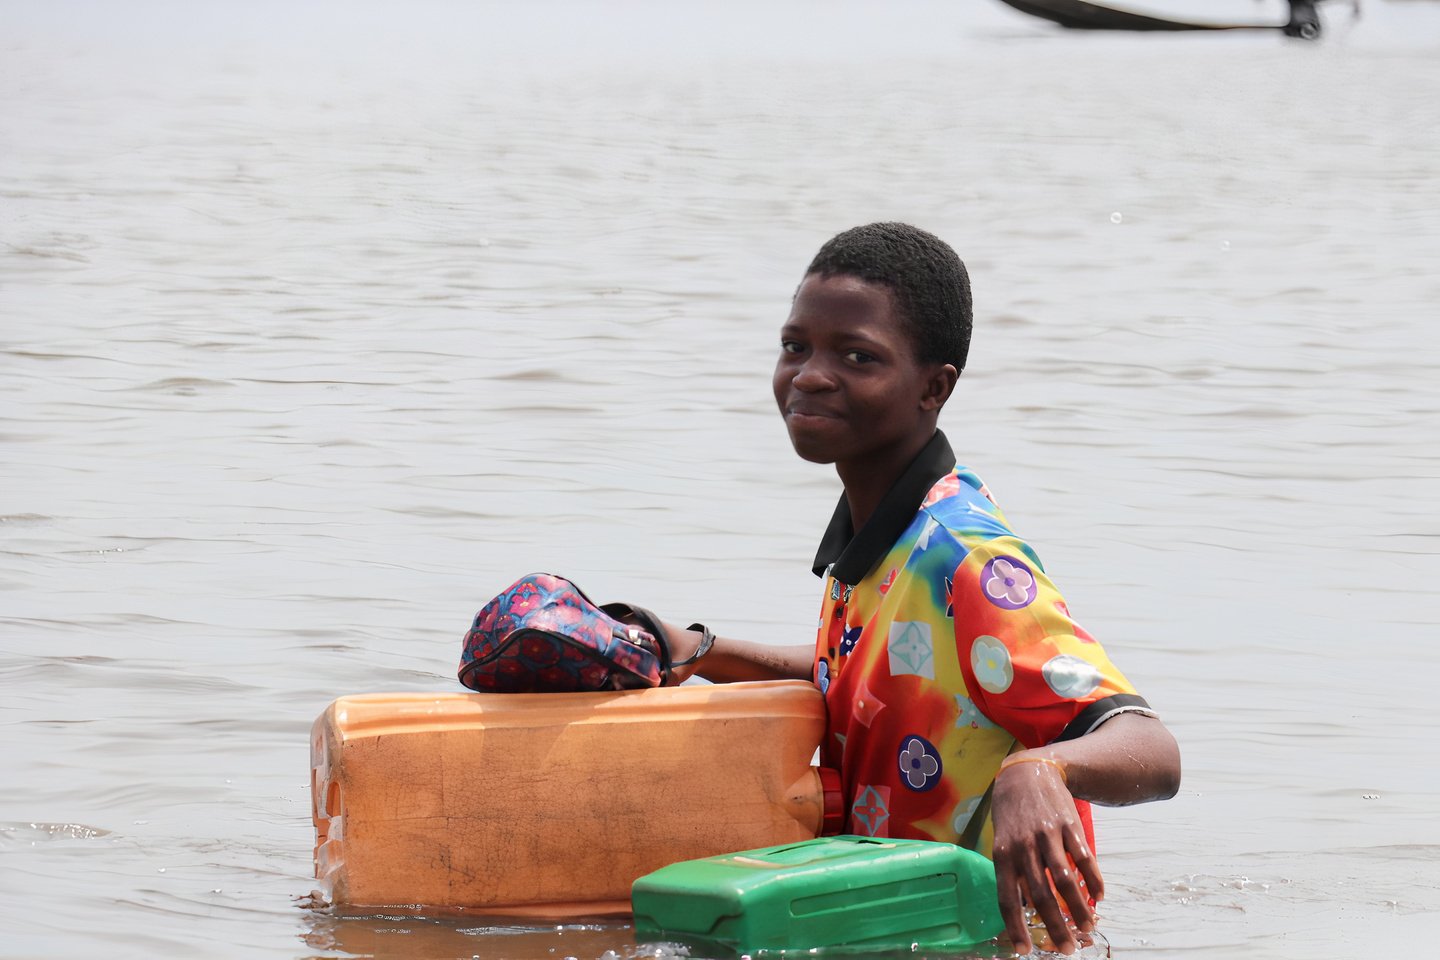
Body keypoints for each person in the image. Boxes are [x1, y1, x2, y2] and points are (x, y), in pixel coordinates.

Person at [656, 222, 1181, 956]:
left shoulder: (965, 556)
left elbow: (1149, 747)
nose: (809, 374)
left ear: (933, 387)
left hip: (989, 941)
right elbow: (873, 675)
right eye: (795, 346)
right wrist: (699, 648)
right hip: (883, 930)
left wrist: (1042, 767)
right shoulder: (882, 539)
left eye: (858, 357)